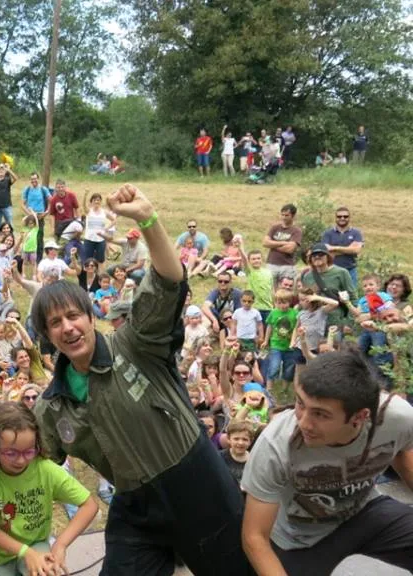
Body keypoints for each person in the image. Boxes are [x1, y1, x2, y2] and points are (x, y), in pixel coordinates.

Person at [31, 184, 250, 575]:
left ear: (90, 314)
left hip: (197, 484)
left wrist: (147, 219)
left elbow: (169, 279)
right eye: (54, 323)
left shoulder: (135, 343)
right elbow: (29, 468)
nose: (68, 328)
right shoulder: (51, 407)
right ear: (48, 337)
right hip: (135, 505)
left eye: (73, 315)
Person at [241, 349, 413, 574]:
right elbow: (254, 537)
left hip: (363, 511)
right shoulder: (276, 443)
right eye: (300, 404)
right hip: (300, 538)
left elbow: (401, 449)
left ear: (360, 417)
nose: (304, 422)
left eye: (320, 414)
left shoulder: (397, 417)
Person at [0, 403, 99, 576]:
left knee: (45, 571)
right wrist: (25, 552)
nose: (21, 461)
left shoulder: (46, 469)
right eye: (11, 453)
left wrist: (60, 544)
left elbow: (89, 505)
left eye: (29, 452)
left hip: (36, 543)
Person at [321, 206, 364, 287]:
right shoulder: (327, 233)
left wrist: (335, 248)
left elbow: (356, 250)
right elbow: (325, 251)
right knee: (332, 295)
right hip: (331, 270)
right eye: (339, 216)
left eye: (345, 216)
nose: (342, 218)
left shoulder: (356, 233)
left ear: (349, 218)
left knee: (350, 296)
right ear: (335, 218)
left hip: (350, 270)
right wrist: (349, 249)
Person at [262, 203, 302, 282]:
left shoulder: (296, 231)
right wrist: (283, 243)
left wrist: (272, 245)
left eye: (286, 215)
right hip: (271, 264)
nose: (284, 217)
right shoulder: (275, 228)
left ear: (293, 216)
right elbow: (265, 243)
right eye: (282, 215)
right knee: (270, 289)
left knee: (286, 290)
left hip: (287, 266)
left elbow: (290, 249)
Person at [0, 163, 17, 232]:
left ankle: (11, 239)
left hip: (7, 206)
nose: (1, 171)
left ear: (5, 172)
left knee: (10, 225)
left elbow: (15, 178)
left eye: (2, 170)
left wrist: (8, 169)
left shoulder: (7, 180)